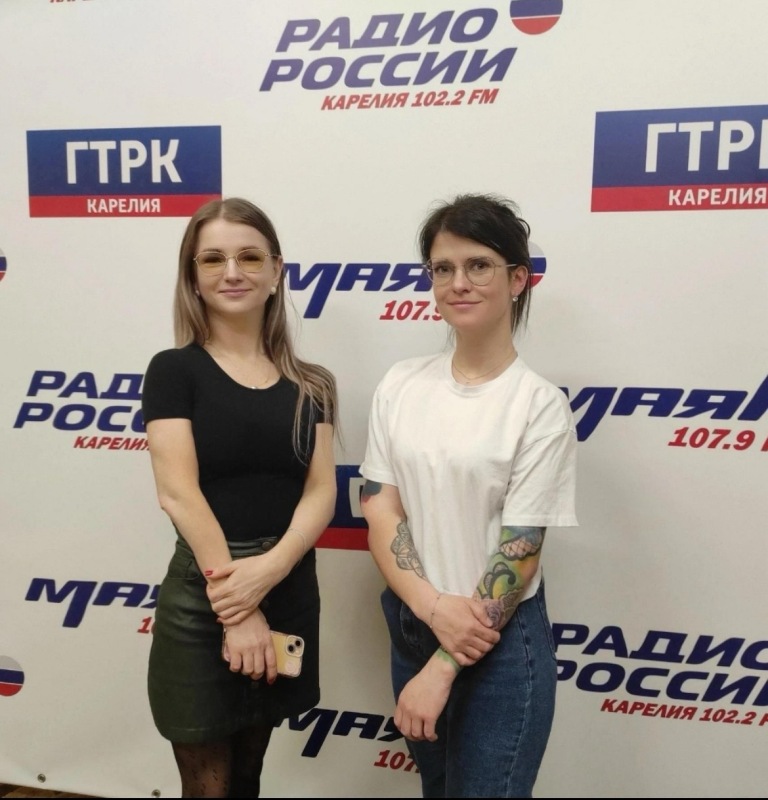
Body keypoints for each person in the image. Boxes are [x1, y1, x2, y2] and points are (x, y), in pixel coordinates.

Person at [360, 193, 578, 798]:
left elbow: (520, 551)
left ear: (518, 279)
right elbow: (380, 508)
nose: (458, 282)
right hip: (414, 624)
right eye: (443, 268)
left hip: (497, 646)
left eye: (478, 265)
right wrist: (432, 610)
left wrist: (444, 665)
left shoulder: (538, 405)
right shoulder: (400, 384)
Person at [141, 197, 338, 798]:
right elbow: (178, 494)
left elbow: (321, 490)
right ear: (193, 276)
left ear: (276, 271)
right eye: (213, 259)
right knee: (209, 787)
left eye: (250, 257)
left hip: (288, 586)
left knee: (249, 775)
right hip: (208, 595)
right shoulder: (174, 370)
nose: (232, 272)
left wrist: (272, 570)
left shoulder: (313, 385)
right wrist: (239, 606)